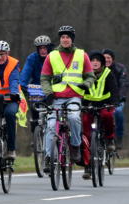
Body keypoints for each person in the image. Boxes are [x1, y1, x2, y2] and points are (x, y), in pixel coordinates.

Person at [41, 25, 95, 173]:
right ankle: (48, 157)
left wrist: (86, 85)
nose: (65, 40)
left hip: (74, 96)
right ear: (60, 39)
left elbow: (90, 76)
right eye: (63, 37)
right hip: (56, 98)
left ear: (72, 39)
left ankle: (76, 147)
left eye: (68, 37)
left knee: (73, 117)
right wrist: (49, 94)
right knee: (51, 125)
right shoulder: (51, 56)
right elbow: (44, 79)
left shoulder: (81, 55)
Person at [81, 50, 119, 178]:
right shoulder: (84, 74)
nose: (95, 63)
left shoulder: (108, 74)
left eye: (98, 61)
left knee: (107, 116)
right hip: (89, 105)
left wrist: (115, 101)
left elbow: (114, 89)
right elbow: (79, 90)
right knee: (86, 134)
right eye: (93, 61)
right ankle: (87, 166)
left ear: (102, 63)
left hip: (105, 104)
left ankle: (110, 139)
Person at [20, 35, 53, 141]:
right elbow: (26, 72)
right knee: (35, 112)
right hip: (37, 89)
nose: (43, 50)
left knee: (54, 113)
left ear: (48, 48)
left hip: (51, 89)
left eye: (45, 48)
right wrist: (22, 85)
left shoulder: (54, 57)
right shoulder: (32, 58)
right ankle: (35, 132)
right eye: (40, 48)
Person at [102, 49, 128, 150]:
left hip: (116, 98)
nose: (106, 60)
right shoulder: (97, 68)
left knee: (118, 112)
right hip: (101, 98)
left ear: (113, 59)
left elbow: (124, 83)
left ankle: (119, 136)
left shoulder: (120, 68)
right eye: (104, 58)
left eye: (109, 58)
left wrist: (120, 96)